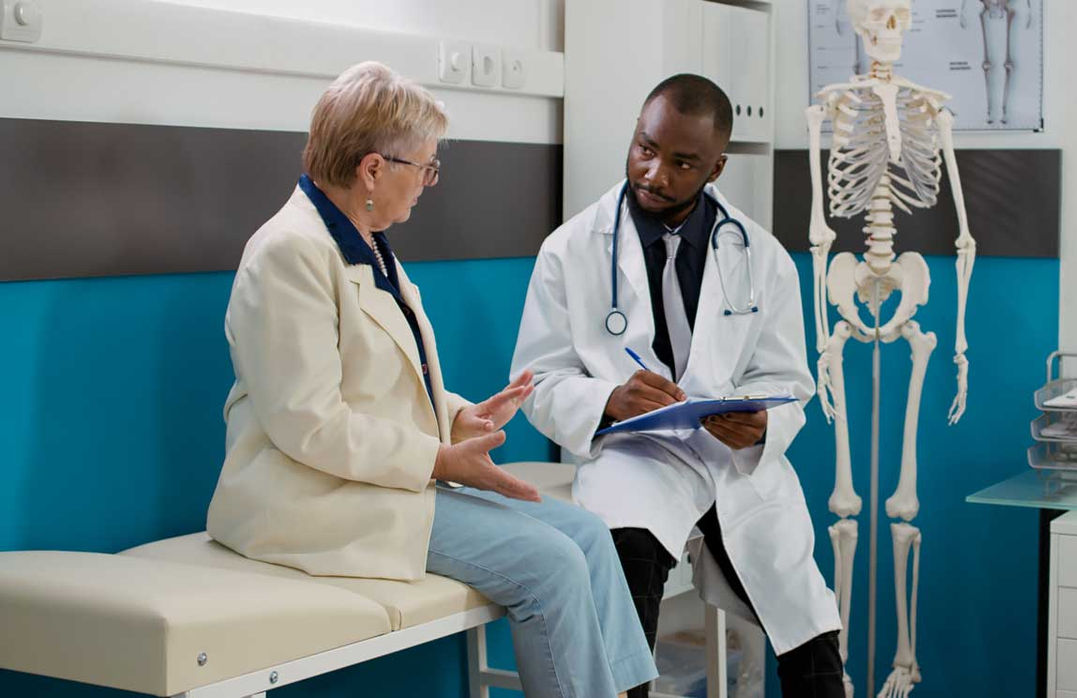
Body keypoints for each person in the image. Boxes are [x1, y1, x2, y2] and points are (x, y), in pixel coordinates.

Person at [206, 61, 657, 698]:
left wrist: (456, 417)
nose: (429, 181)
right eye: (425, 166)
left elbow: (376, 379)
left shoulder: (364, 240)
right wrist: (441, 456)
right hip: (312, 497)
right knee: (551, 565)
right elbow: (309, 424)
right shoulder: (289, 253)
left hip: (377, 480)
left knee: (586, 533)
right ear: (372, 169)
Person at [511, 74, 846, 697]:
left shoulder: (760, 256)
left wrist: (763, 424)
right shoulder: (570, 250)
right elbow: (537, 382)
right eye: (645, 147)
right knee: (627, 571)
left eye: (681, 162)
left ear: (715, 167)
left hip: (731, 460)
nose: (654, 173)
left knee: (808, 626)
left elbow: (787, 381)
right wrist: (607, 399)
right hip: (634, 457)